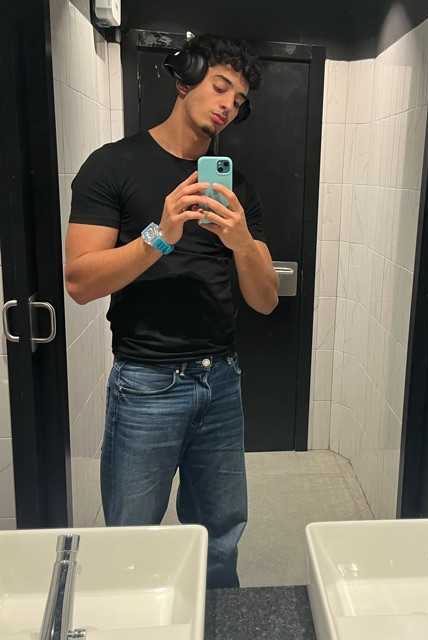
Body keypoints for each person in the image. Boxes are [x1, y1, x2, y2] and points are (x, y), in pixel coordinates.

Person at [64, 34, 278, 588]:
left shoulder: (234, 187)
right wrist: (160, 237)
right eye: (220, 86)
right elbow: (80, 282)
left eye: (239, 98)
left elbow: (265, 299)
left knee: (220, 537)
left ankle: (216, 622)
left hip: (221, 379)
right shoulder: (112, 166)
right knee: (132, 541)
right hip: (145, 383)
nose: (228, 104)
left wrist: (242, 242)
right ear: (186, 79)